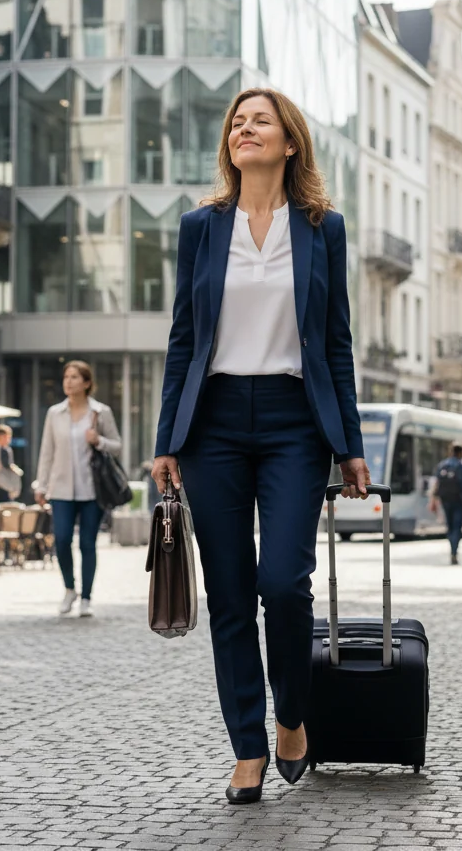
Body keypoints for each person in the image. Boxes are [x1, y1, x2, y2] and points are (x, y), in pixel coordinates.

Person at [150, 87, 370, 805]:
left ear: (289, 143)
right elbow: (184, 337)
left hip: (292, 422)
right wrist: (167, 439)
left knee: (283, 581)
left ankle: (292, 715)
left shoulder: (322, 228)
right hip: (212, 423)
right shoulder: (200, 227)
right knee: (231, 596)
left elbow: (335, 342)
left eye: (260, 121)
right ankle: (246, 746)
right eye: (236, 123)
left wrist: (350, 446)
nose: (245, 129)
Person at [33, 360, 123, 619]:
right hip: (61, 489)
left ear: (86, 383)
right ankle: (70, 588)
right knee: (61, 540)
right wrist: (41, 484)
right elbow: (47, 452)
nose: (68, 381)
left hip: (92, 491)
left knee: (87, 544)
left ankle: (86, 598)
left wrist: (99, 441)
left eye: (74, 377)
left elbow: (117, 445)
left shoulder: (100, 412)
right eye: (66, 377)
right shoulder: (54, 413)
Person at [429, 442, 462, 565]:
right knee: (457, 527)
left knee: (450, 526)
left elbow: (436, 484)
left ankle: (452, 548)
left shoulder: (443, 465)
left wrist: (433, 501)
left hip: (446, 499)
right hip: (460, 500)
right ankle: (455, 551)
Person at [0, 424, 21, 503]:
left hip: (7, 487)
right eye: (7, 437)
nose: (9, 439)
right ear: (0, 436)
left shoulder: (6, 449)